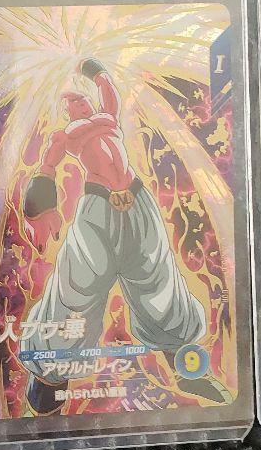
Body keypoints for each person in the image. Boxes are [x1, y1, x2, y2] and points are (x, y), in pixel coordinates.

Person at [18, 58, 227, 414]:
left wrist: (95, 71)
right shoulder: (65, 135)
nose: (78, 103)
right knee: (76, 288)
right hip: (97, 210)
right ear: (64, 110)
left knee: (157, 276)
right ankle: (50, 378)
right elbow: (47, 166)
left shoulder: (107, 118)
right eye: (71, 101)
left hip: (137, 200)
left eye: (80, 98)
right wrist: (41, 209)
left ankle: (183, 361)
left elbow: (108, 91)